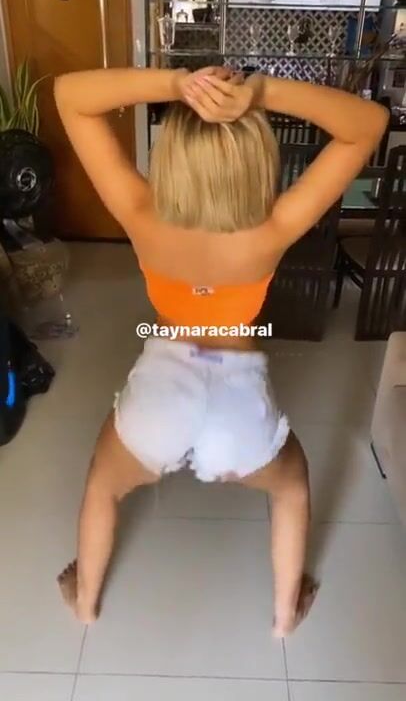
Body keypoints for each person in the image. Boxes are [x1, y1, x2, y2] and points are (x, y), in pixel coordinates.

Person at [54, 66, 388, 636]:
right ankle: (284, 616)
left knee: (103, 484)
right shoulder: (273, 228)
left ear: (172, 160)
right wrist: (261, 92)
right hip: (237, 404)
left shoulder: (140, 213)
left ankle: (85, 601)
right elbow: (368, 124)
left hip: (161, 392)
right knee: (290, 485)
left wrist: (175, 85)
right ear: (255, 160)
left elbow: (70, 96)